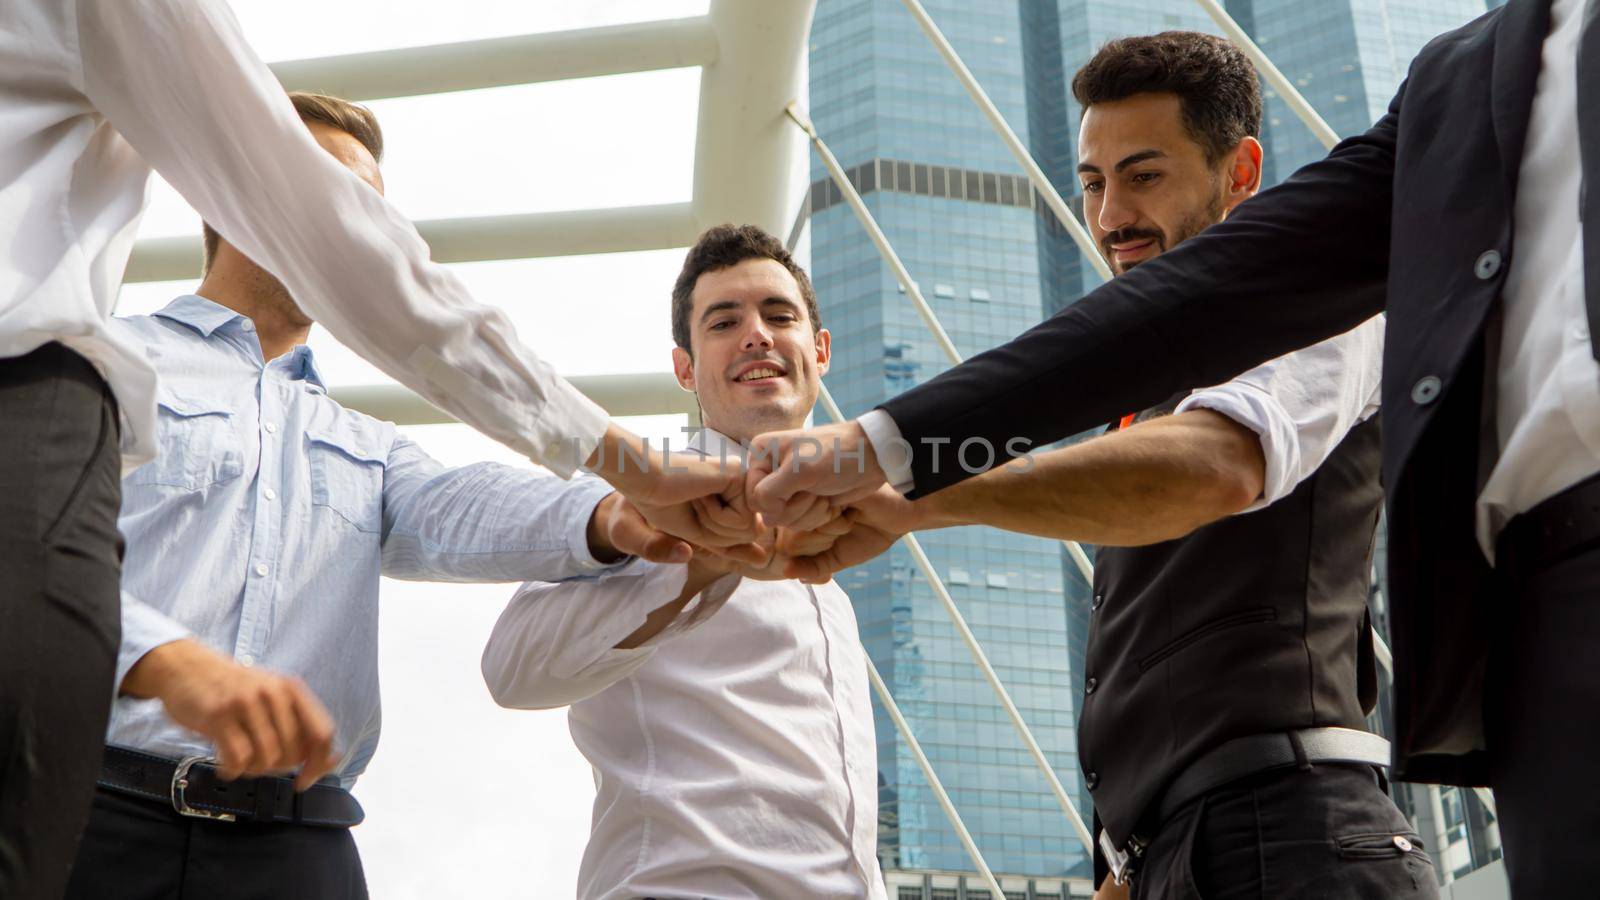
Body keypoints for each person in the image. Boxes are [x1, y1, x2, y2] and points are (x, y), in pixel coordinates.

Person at [751, 0, 1595, 894]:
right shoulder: (1145, 389)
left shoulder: (1325, 308)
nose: (1110, 213)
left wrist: (914, 496)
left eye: (1143, 175)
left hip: (1298, 838)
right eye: (1092, 181)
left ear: (1242, 172)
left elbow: (1219, 463)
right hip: (1195, 853)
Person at [0, 3, 753, 894]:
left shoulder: (362, 443)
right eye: (331, 193)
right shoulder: (97, 370)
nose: (359, 225)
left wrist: (614, 511)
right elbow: (34, 561)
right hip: (91, 812)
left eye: (373, 208)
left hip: (297, 849)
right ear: (231, 194)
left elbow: (456, 507)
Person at [481, 225, 883, 900]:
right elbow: (511, 669)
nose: (756, 334)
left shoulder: (832, 566)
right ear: (686, 369)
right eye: (724, 321)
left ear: (820, 351)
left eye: (778, 316)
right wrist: (695, 566)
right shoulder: (621, 509)